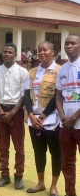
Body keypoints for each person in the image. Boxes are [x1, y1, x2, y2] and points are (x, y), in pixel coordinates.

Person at [24, 41, 61, 196]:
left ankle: (53, 185)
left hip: (53, 119)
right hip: (34, 119)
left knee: (55, 152)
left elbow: (57, 96)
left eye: (45, 50)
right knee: (39, 151)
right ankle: (40, 183)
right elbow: (26, 94)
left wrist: (43, 115)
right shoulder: (31, 72)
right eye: (39, 50)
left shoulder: (60, 70)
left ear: (53, 52)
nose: (41, 53)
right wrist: (31, 115)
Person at [0, 43, 28, 190]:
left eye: (10, 52)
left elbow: (24, 95)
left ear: (16, 55)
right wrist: (0, 111)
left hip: (16, 112)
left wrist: (12, 113)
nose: (7, 54)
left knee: (19, 147)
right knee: (3, 146)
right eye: (5, 52)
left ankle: (19, 176)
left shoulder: (22, 72)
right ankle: (4, 175)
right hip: (1, 111)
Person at [56, 34, 80, 196]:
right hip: (65, 125)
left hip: (78, 123)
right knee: (67, 162)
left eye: (73, 43)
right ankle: (69, 193)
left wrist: (73, 117)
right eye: (66, 44)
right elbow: (58, 95)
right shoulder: (62, 68)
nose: (69, 46)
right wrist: (63, 116)